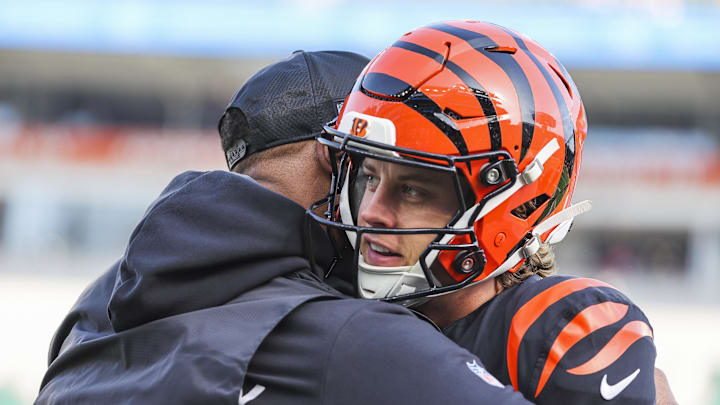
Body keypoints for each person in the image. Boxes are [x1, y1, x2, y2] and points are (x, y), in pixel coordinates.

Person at [35, 50, 534, 404]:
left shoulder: (95, 304)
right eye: (376, 169)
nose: (380, 208)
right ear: (340, 158)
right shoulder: (352, 338)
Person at [309, 21, 668, 404]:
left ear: (518, 201)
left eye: (413, 190)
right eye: (370, 177)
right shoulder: (329, 292)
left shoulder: (554, 331)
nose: (371, 213)